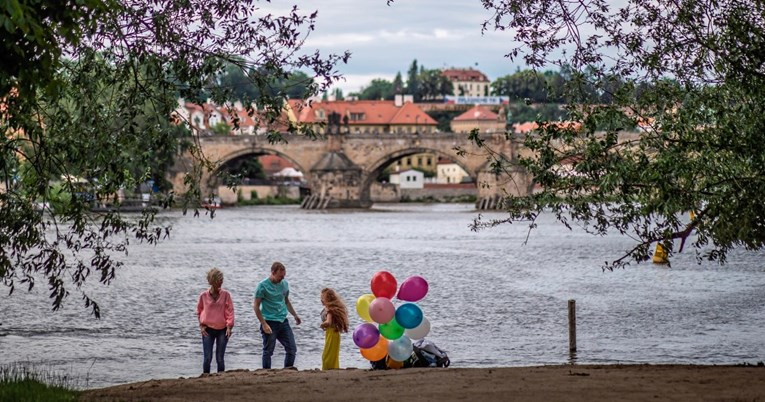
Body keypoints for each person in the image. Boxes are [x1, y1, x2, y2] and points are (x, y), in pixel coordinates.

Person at [253, 261, 302, 369]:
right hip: (269, 321)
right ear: (273, 272)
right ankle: (266, 373)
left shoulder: (284, 284)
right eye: (280, 276)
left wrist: (295, 315)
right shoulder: (262, 286)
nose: (282, 279)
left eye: (283, 276)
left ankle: (288, 371)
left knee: (291, 348)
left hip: (283, 321)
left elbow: (286, 301)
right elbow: (256, 306)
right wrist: (264, 324)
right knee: (268, 351)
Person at [196, 267, 235, 374]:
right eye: (219, 279)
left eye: (222, 279)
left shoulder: (226, 295)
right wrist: (201, 326)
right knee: (207, 358)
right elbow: (199, 311)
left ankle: (221, 378)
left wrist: (229, 326)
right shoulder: (203, 296)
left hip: (222, 330)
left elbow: (230, 311)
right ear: (212, 281)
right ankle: (205, 378)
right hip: (207, 330)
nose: (221, 282)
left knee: (220, 358)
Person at [319, 288, 349, 370]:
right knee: (332, 354)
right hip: (332, 333)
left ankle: (328, 369)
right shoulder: (329, 308)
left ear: (327, 299)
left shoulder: (329, 310)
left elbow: (328, 322)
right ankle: (333, 368)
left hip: (332, 333)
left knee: (327, 355)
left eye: (322, 298)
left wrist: (322, 325)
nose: (321, 300)